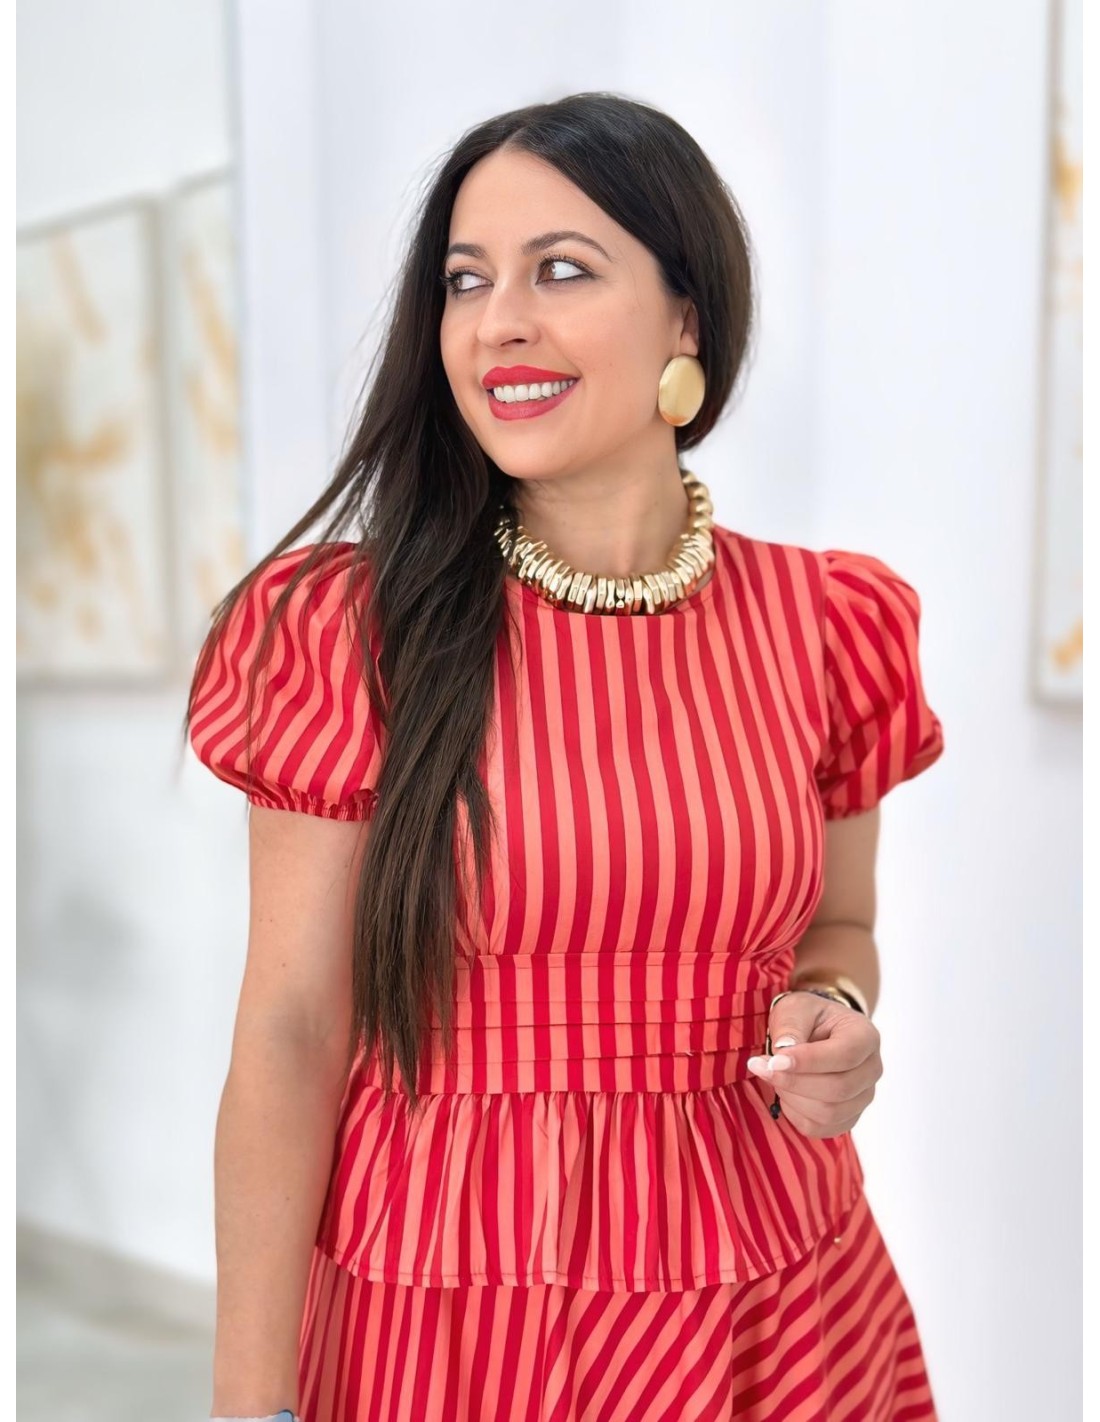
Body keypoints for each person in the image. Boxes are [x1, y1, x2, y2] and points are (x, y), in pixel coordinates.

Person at [187, 91, 946, 1422]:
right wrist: (249, 1399)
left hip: (775, 1287)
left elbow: (839, 928)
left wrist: (837, 1017)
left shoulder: (829, 623)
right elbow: (293, 1032)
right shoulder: (345, 630)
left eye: (561, 269)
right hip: (449, 1301)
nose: (498, 322)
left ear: (686, 317)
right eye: (465, 280)